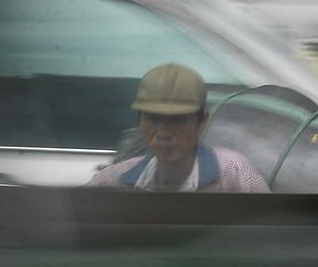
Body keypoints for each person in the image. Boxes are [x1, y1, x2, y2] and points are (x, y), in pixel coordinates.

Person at [86, 63, 270, 193]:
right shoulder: (113, 181)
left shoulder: (234, 173)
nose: (163, 133)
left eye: (177, 120)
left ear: (201, 122)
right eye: (152, 119)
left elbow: (272, 235)